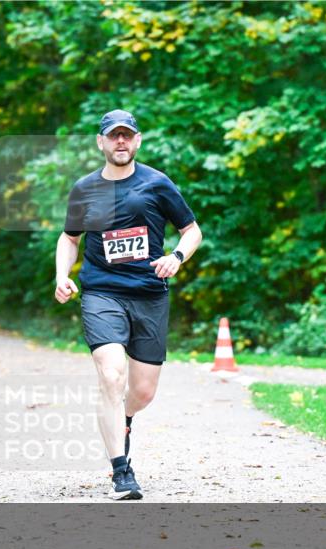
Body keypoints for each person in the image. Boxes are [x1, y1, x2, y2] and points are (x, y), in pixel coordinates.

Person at [54, 109, 203, 500]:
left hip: (150, 294)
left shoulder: (157, 183)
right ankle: (122, 472)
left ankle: (125, 419)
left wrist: (177, 257)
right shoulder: (85, 189)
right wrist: (61, 276)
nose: (120, 141)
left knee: (142, 391)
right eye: (113, 136)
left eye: (127, 135)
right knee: (111, 375)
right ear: (100, 142)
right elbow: (69, 238)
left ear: (137, 141)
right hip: (102, 292)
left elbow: (192, 230)